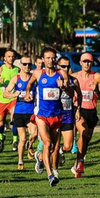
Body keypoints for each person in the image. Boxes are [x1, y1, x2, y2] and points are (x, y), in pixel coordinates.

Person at [24, 48, 71, 187]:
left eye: (53, 58)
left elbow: (70, 92)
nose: (50, 60)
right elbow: (30, 84)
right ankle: (50, 176)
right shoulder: (38, 73)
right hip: (41, 116)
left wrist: (63, 88)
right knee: (47, 143)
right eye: (48, 58)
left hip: (56, 115)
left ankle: (39, 158)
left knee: (52, 149)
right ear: (43, 60)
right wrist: (28, 93)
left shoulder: (61, 74)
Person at [72, 52, 100, 178]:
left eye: (89, 61)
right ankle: (79, 162)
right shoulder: (74, 77)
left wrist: (96, 90)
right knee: (83, 132)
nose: (86, 64)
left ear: (92, 63)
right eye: (84, 61)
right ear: (80, 63)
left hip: (91, 111)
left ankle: (78, 164)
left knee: (86, 140)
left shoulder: (96, 76)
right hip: (79, 110)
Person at [4, 55, 38, 170]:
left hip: (31, 111)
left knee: (34, 134)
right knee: (22, 138)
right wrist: (14, 94)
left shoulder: (34, 78)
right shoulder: (16, 78)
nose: (27, 66)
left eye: (29, 64)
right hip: (19, 112)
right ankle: (20, 161)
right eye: (25, 64)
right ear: (20, 65)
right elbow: (5, 93)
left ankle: (30, 146)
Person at [0, 49, 19, 152]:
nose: (11, 58)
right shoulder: (0, 69)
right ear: (4, 58)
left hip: (13, 98)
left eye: (12, 56)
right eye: (9, 56)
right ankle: (1, 138)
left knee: (14, 118)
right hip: (2, 99)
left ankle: (15, 140)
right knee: (1, 122)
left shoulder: (17, 70)